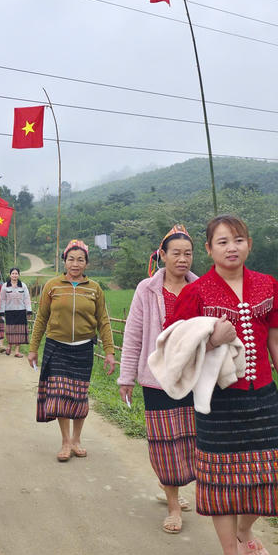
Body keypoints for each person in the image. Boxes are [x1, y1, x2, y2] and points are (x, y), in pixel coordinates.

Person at [166, 215, 278, 555]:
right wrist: (210, 340)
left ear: (249, 244)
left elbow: (277, 342)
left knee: (268, 476)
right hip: (218, 402)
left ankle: (245, 532)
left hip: (262, 397)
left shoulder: (267, 286)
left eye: (238, 240)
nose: (232, 247)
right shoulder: (197, 293)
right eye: (222, 241)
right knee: (223, 483)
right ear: (208, 250)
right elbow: (175, 343)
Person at [117, 225, 200, 534]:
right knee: (164, 442)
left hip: (192, 376)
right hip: (156, 379)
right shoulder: (147, 289)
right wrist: (127, 376)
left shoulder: (201, 287)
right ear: (162, 255)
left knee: (192, 438)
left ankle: (177, 488)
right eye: (176, 253)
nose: (182, 259)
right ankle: (174, 504)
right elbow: (134, 334)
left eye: (188, 254)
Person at [27, 240, 116, 462]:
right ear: (64, 261)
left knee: (78, 396)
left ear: (86, 263)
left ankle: (77, 439)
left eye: (80, 260)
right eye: (71, 259)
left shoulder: (94, 289)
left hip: (83, 349)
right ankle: (66, 441)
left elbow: (103, 321)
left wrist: (109, 351)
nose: (75, 264)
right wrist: (33, 349)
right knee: (60, 396)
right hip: (56, 347)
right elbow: (41, 318)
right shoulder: (53, 286)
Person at [0, 267, 32, 357]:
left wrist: (29, 311)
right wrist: (1, 312)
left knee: (19, 331)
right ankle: (9, 347)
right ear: (10, 275)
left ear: (19, 275)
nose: (14, 275)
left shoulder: (23, 286)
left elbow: (27, 298)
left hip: (21, 311)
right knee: (10, 331)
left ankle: (17, 351)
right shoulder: (5, 286)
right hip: (9, 312)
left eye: (16, 273)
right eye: (13, 273)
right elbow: (2, 300)